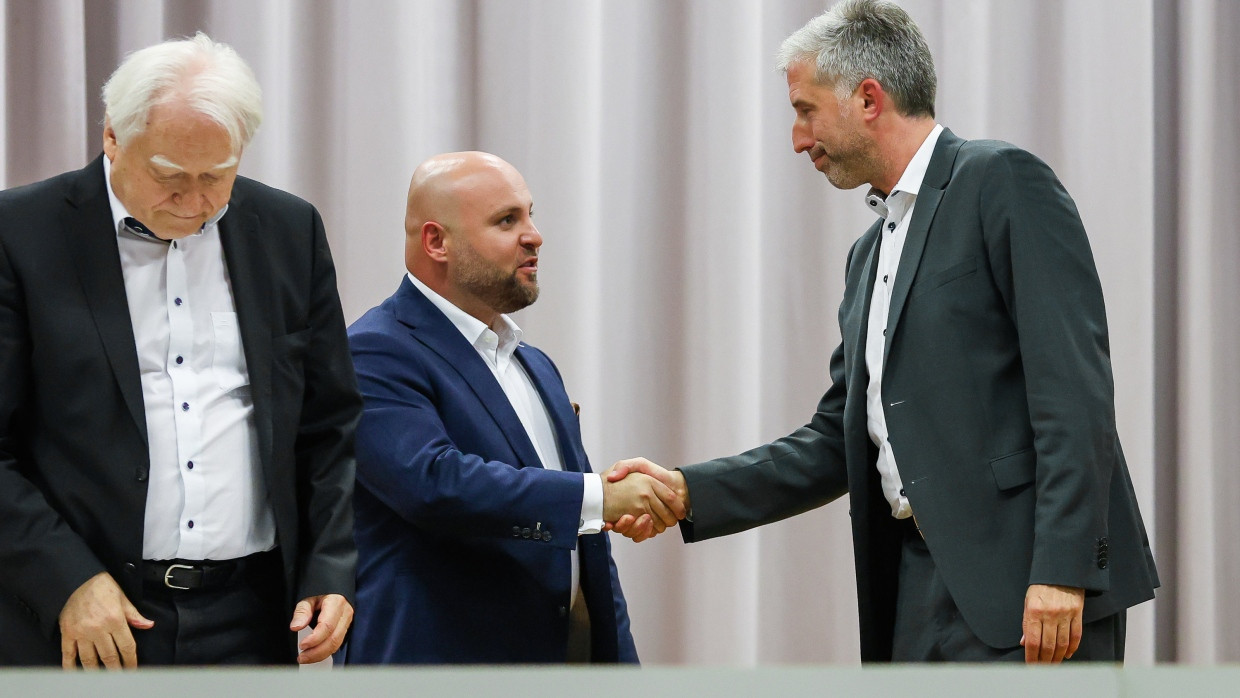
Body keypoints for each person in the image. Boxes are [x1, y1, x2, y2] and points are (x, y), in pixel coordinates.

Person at [608, 0, 1158, 663]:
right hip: (916, 593)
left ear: (868, 98)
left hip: (1030, 587)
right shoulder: (868, 254)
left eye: (805, 110)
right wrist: (687, 490)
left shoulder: (1000, 181)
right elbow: (836, 440)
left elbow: (1073, 389)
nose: (797, 139)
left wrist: (1063, 568)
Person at [0, 34, 361, 667]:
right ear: (112, 136)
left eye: (216, 178)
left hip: (252, 616)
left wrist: (329, 564)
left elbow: (327, 424)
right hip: (87, 616)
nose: (194, 203)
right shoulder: (20, 233)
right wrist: (65, 579)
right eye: (169, 177)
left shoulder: (288, 230)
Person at [343, 151, 681, 664]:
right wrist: (599, 498)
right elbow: (435, 485)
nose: (535, 235)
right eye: (507, 221)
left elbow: (587, 551)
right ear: (436, 241)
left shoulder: (535, 364)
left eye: (530, 214)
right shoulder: (374, 350)